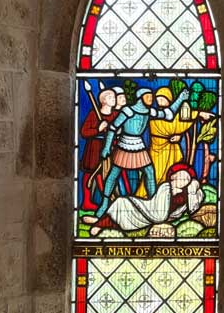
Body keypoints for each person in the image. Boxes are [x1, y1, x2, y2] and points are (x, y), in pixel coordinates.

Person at [94, 86, 189, 218]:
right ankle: (104, 204)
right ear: (140, 98)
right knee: (113, 175)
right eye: (148, 96)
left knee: (149, 172)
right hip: (124, 145)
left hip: (139, 146)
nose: (151, 98)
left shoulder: (149, 111)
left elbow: (169, 114)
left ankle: (154, 204)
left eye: (151, 96)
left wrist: (180, 99)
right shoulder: (128, 110)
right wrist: (106, 147)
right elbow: (113, 128)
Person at [83, 163, 206, 237]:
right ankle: (99, 221)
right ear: (172, 178)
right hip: (149, 209)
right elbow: (158, 204)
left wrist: (192, 189)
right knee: (122, 203)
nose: (181, 180)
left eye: (185, 178)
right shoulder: (165, 187)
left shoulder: (190, 193)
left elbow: (193, 207)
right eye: (179, 177)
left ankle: (101, 225)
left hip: (155, 216)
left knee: (125, 211)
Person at [136, 87, 214, 193]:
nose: (160, 101)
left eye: (163, 98)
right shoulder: (153, 114)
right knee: (155, 174)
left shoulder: (170, 114)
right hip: (156, 150)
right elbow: (172, 124)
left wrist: (180, 135)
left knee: (172, 176)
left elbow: (181, 119)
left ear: (169, 99)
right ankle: (147, 197)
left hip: (172, 150)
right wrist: (196, 113)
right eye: (158, 98)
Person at [79, 88, 117, 210]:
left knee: (107, 174)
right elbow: (84, 132)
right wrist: (98, 129)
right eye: (111, 97)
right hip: (94, 147)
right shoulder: (94, 114)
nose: (114, 99)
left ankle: (108, 201)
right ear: (103, 101)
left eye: (114, 97)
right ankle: (86, 202)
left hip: (111, 147)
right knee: (90, 173)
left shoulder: (116, 115)